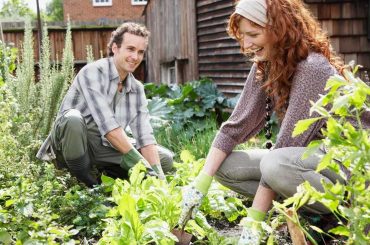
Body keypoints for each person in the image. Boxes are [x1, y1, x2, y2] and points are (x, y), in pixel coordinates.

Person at [180, 0, 370, 244]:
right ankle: (303, 211)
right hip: (310, 160)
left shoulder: (312, 68)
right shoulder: (268, 63)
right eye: (243, 36)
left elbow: (287, 143)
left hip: (351, 166)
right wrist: (199, 184)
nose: (246, 45)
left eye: (253, 34)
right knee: (226, 167)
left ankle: (340, 213)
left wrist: (253, 224)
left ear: (278, 29)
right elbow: (235, 126)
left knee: (274, 164)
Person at [36, 22, 174, 187]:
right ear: (115, 48)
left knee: (165, 160)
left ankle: (106, 176)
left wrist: (158, 176)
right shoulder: (92, 73)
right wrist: (143, 166)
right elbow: (109, 127)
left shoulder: (136, 89)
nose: (135, 57)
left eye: (140, 52)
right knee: (73, 120)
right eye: (130, 49)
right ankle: (85, 183)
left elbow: (145, 136)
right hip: (74, 142)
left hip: (103, 146)